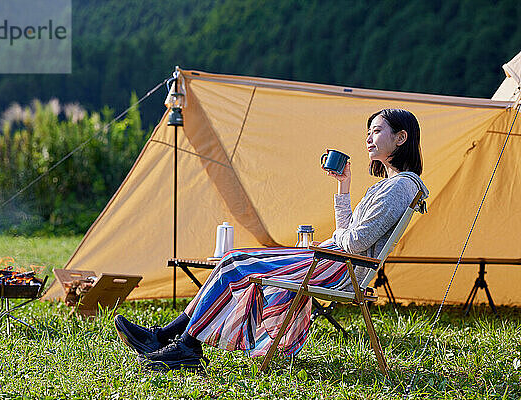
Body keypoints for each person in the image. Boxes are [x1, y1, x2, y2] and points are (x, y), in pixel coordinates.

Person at [115, 108, 429, 370]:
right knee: (234, 262)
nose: (368, 138)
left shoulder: (400, 186)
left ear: (401, 138)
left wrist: (331, 242)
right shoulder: (391, 185)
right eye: (368, 132)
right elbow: (350, 234)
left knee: (235, 261)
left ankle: (179, 343)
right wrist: (343, 188)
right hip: (334, 261)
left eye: (375, 130)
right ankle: (175, 341)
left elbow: (354, 242)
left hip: (337, 268)